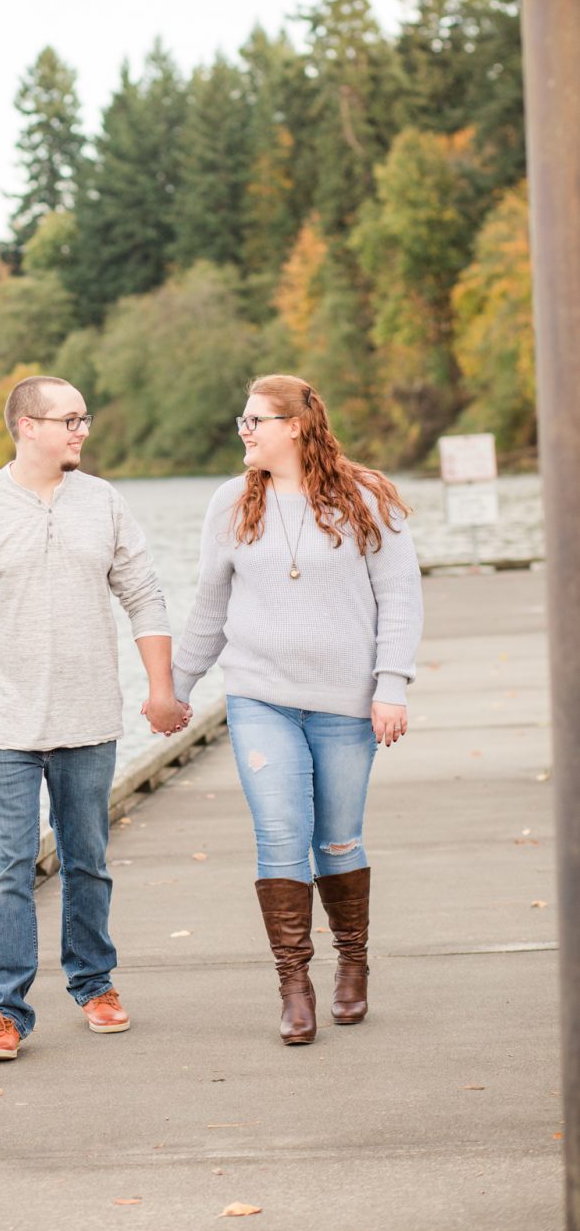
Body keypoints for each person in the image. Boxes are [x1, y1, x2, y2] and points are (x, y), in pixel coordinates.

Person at [0, 375, 191, 1062]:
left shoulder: (102, 503)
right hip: (0, 725)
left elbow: (144, 594)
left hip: (88, 716)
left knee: (87, 860)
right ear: (26, 426)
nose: (81, 430)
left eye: (84, 418)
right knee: (9, 865)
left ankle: (94, 983)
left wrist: (161, 688)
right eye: (67, 419)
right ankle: (5, 1012)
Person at [171, 374, 423, 1045]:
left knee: (338, 837)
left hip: (345, 702)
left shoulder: (364, 496)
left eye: (256, 421)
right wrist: (176, 684)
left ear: (297, 425)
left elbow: (400, 597)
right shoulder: (231, 503)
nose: (244, 431)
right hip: (261, 698)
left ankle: (352, 965)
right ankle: (294, 985)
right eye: (242, 420)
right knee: (280, 834)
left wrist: (390, 684)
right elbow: (209, 606)